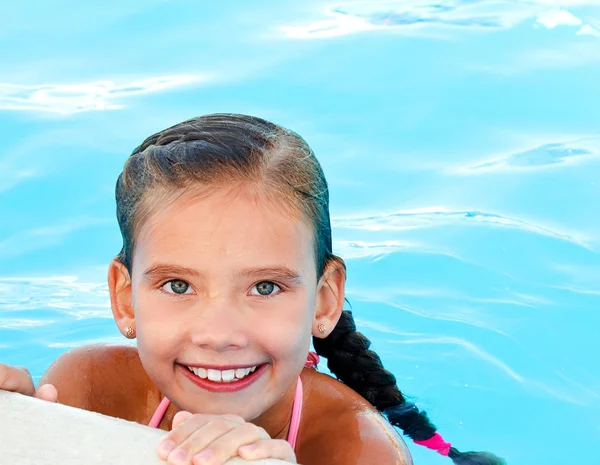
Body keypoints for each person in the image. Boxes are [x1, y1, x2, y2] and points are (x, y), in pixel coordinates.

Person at [0, 114, 505, 465]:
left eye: (265, 287)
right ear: (124, 298)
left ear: (324, 301)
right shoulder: (90, 388)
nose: (220, 335)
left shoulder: (356, 445)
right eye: (178, 285)